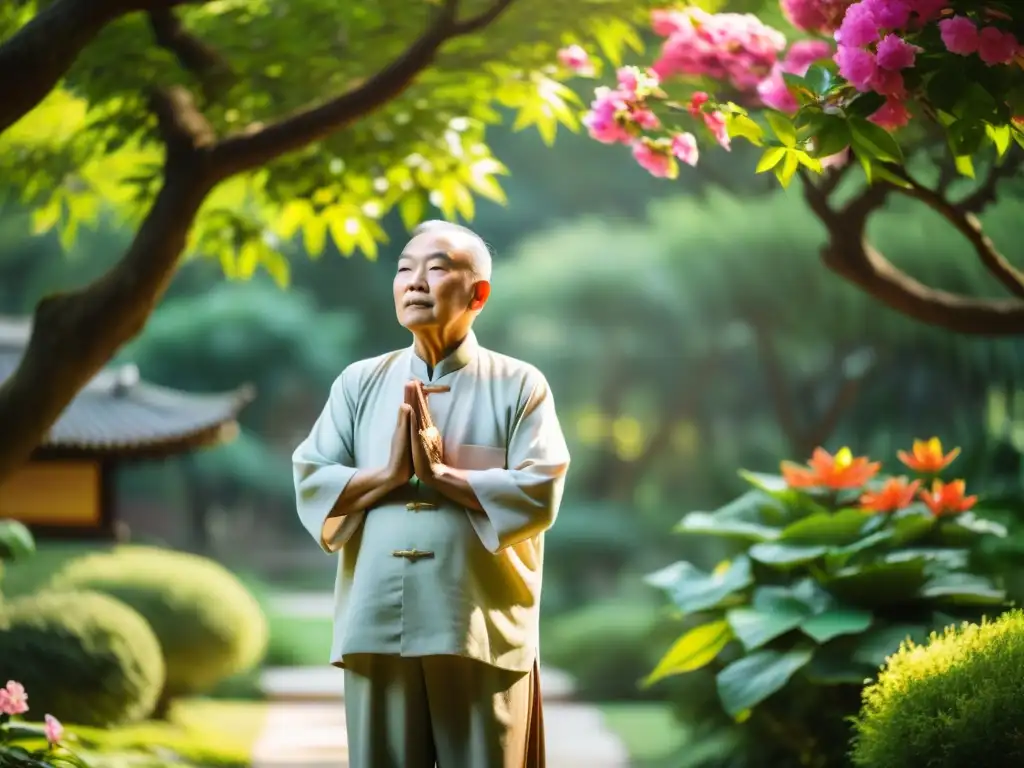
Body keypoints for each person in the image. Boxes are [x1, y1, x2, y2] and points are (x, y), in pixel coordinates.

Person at [292, 219, 570, 768]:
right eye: (403, 269)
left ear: (478, 293)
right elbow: (310, 475)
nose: (414, 281)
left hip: (479, 628)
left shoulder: (519, 384)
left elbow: (541, 489)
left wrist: (445, 478)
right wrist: (387, 476)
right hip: (375, 623)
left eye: (436, 268)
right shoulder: (358, 382)